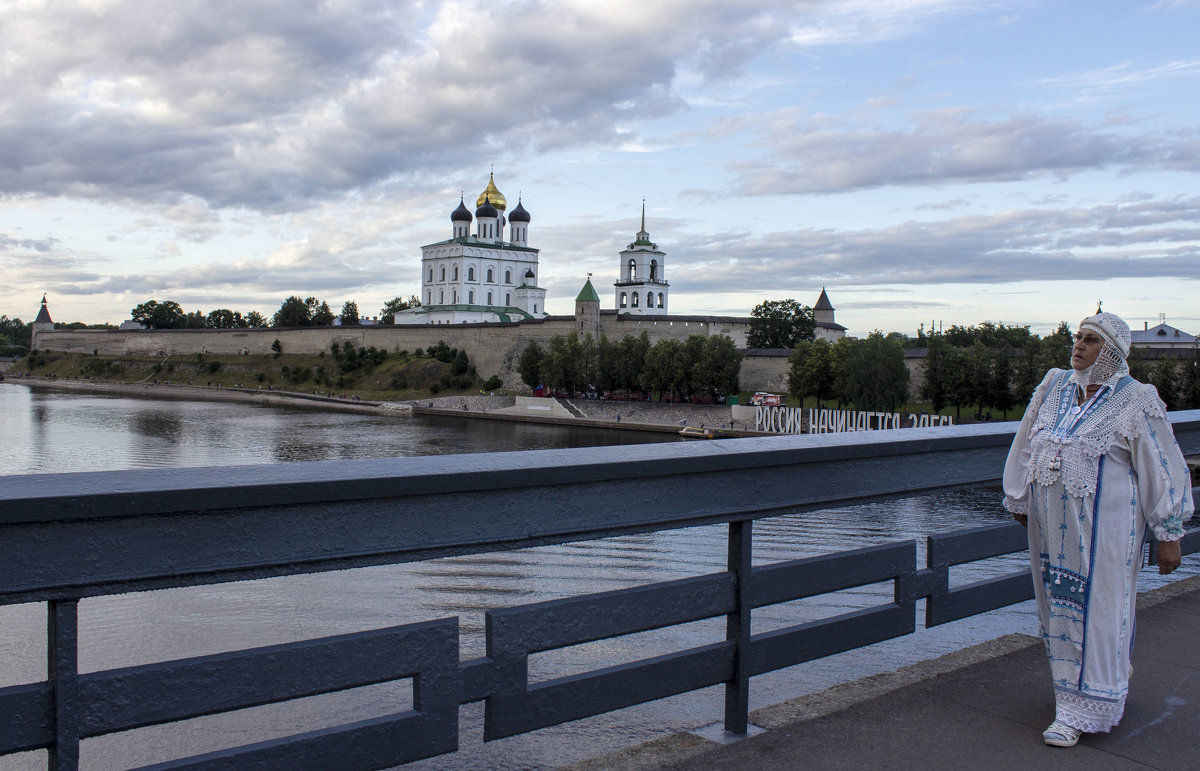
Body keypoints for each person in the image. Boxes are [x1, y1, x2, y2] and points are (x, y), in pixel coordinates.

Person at [1003, 311, 1192, 747]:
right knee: (1059, 611)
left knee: (1099, 610)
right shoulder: (1055, 387)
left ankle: (1081, 709)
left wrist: (1170, 534)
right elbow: (1028, 440)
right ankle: (1090, 681)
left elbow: (1162, 465)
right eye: (1077, 337)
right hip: (1053, 531)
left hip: (1107, 533)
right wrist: (1019, 495)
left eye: (1089, 340)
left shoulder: (1135, 399)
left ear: (1110, 352)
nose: (1078, 345)